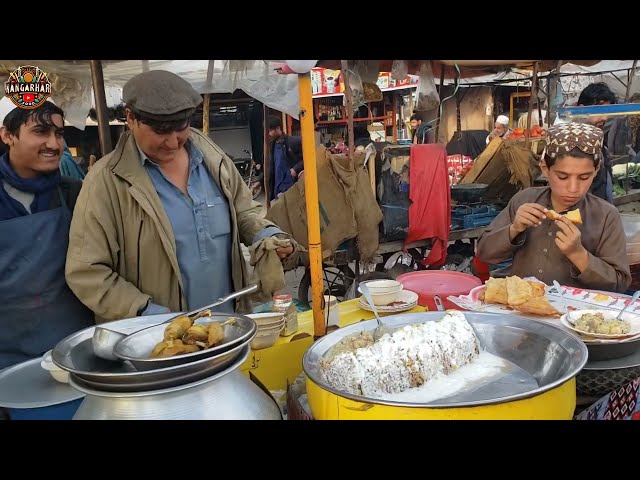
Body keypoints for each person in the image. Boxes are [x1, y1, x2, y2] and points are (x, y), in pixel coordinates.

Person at [65, 70, 297, 322]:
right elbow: (87, 272)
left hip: (228, 328)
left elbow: (244, 211)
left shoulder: (210, 156)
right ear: (130, 118)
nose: (173, 142)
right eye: (161, 130)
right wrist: (147, 313)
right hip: (156, 344)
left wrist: (266, 234)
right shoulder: (105, 182)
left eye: (180, 128)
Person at [477, 122, 631, 294]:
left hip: (575, 317)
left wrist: (578, 254)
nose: (573, 188)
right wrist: (514, 229)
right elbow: (484, 253)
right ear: (545, 168)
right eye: (562, 177)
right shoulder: (525, 200)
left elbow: (619, 284)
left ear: (596, 171)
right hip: (521, 309)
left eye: (584, 177)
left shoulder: (605, 216)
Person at [0, 97, 94, 369]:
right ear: (7, 135)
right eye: (41, 132)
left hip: (77, 352)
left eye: (59, 133)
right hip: (8, 360)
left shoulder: (74, 193)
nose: (54, 144)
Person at [577, 82, 617, 203]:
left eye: (607, 112)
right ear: (581, 110)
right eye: (599, 111)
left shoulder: (598, 140)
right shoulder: (572, 143)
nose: (604, 118)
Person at [267, 116, 303, 200]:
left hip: (289, 187)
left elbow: (307, 158)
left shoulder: (292, 142)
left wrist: (295, 169)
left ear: (278, 128)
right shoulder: (272, 146)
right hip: (277, 190)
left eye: (270, 130)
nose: (268, 134)